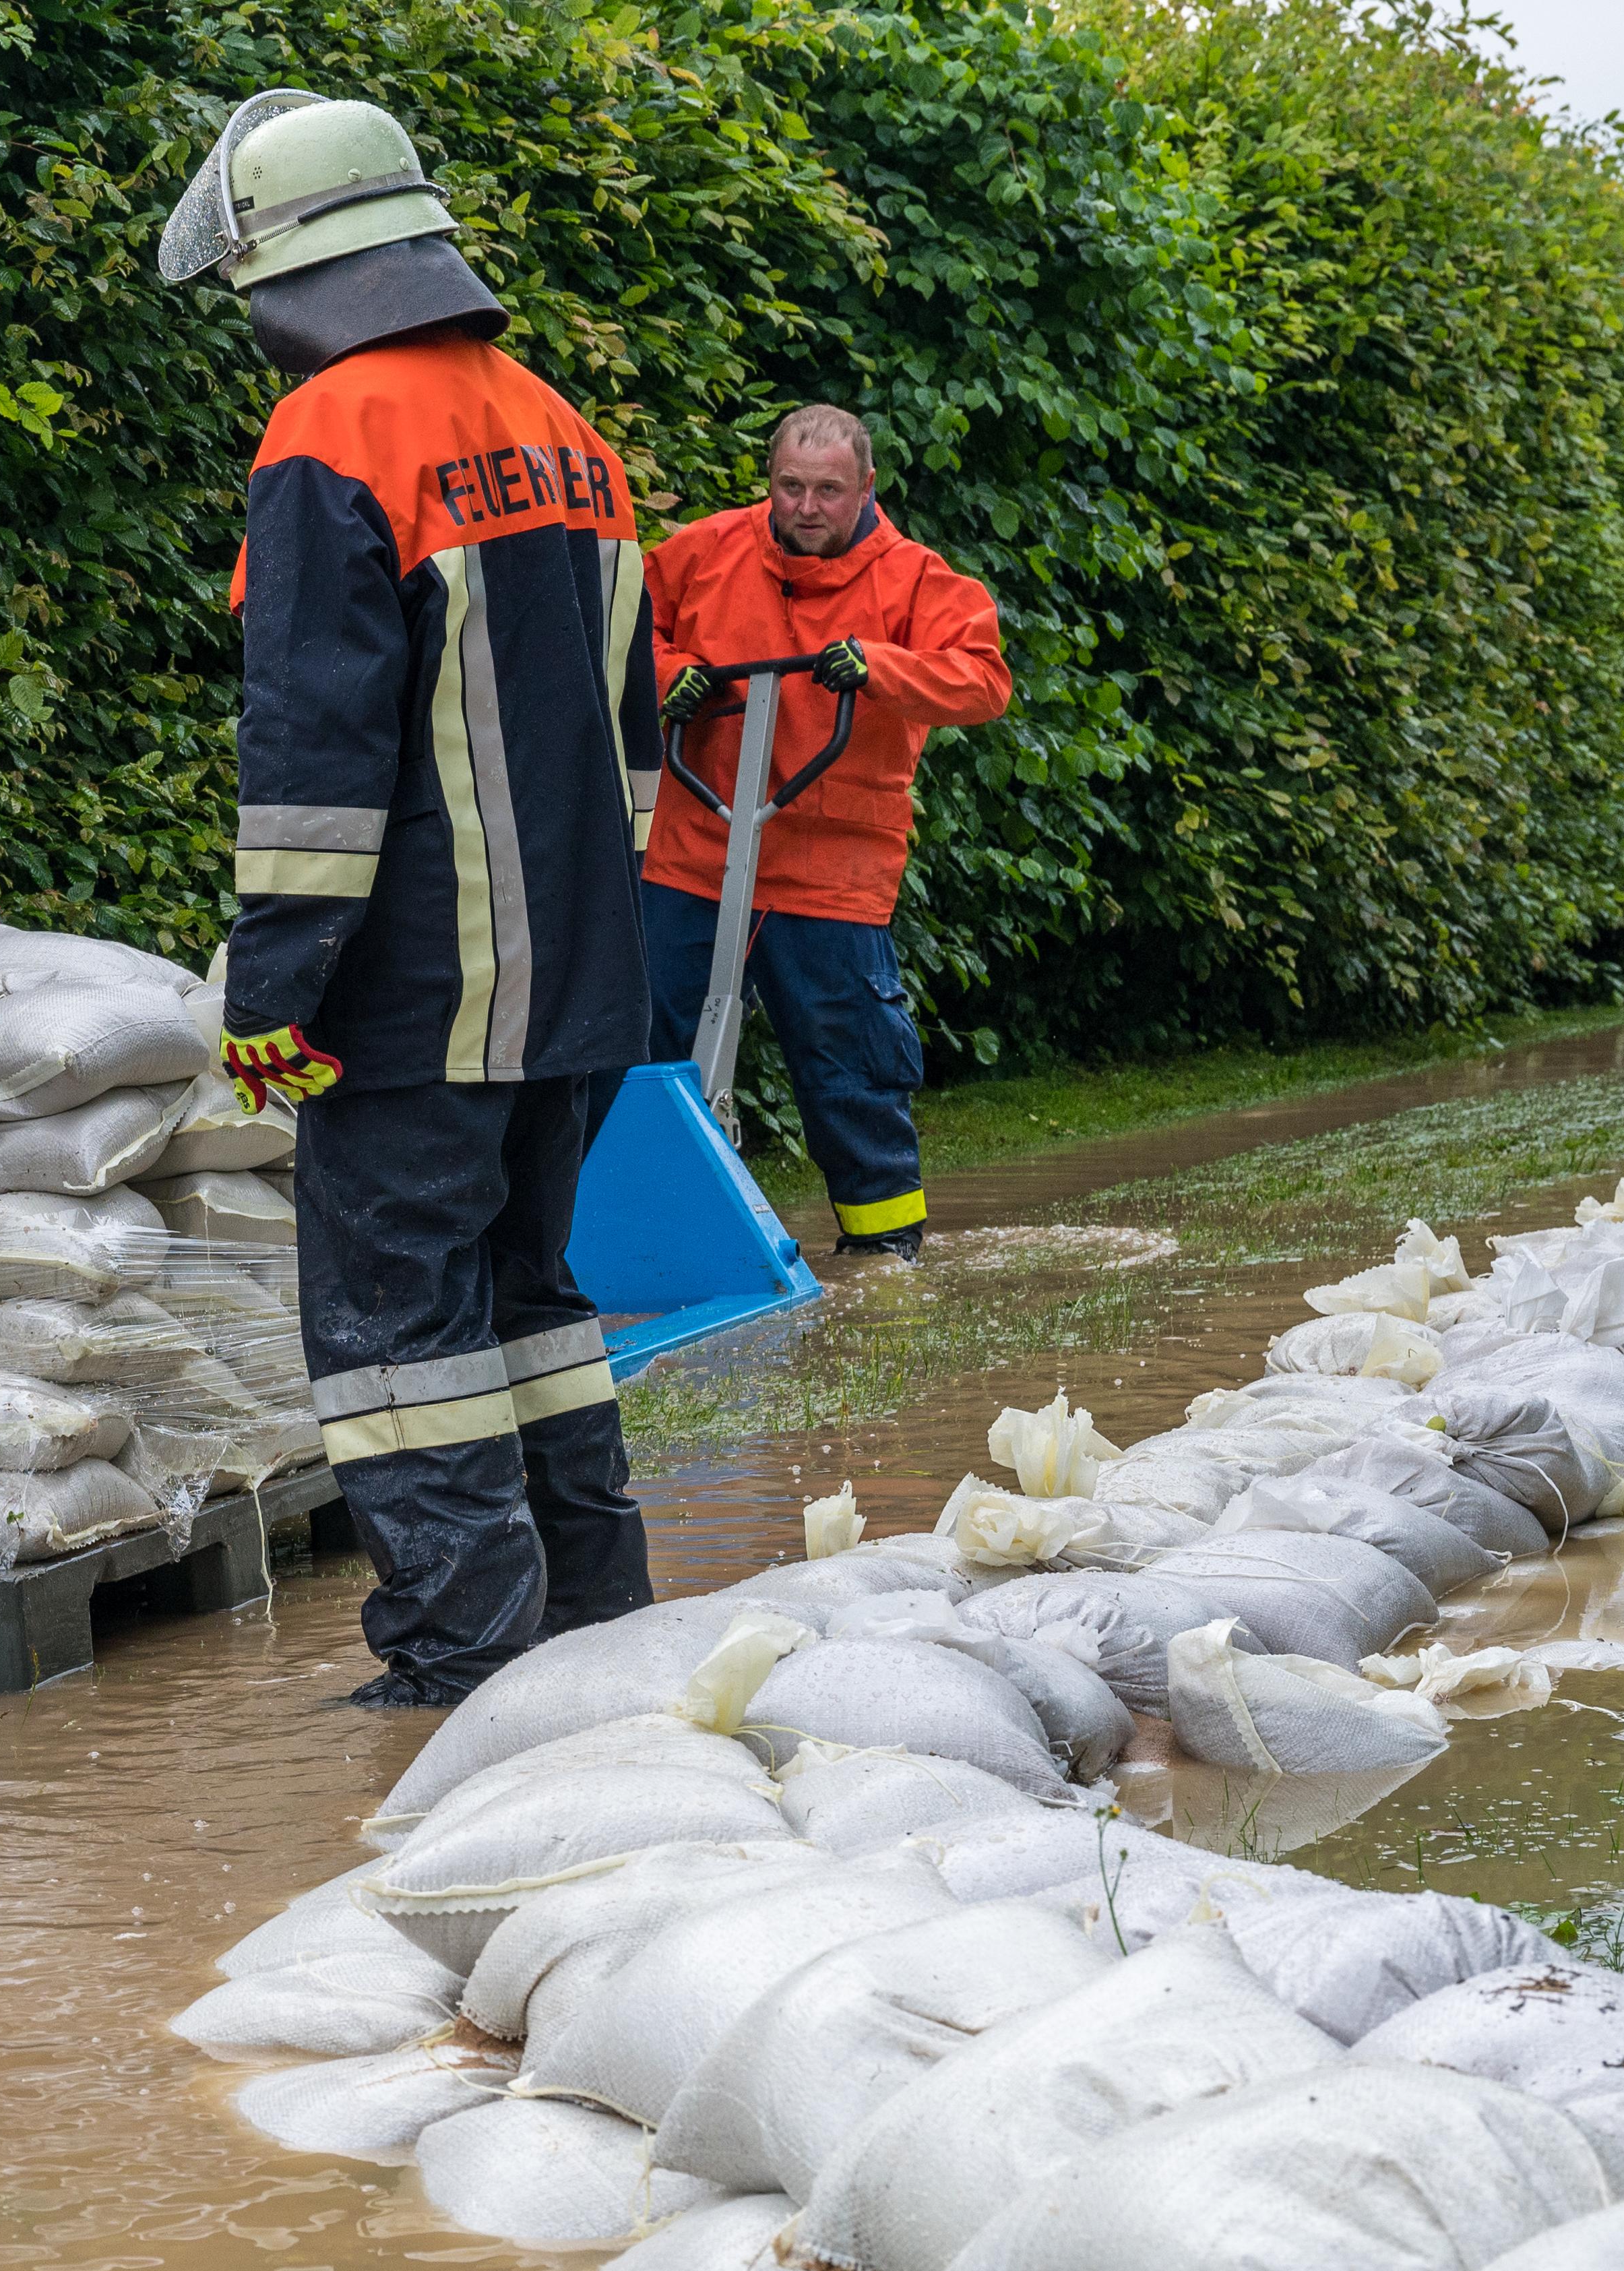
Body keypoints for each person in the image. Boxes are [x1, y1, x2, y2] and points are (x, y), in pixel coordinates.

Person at [161, 90, 663, 1709]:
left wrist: (268, 993)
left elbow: (311, 752)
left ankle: (460, 1662)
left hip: (413, 991)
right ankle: (594, 1618)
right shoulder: (563, 430)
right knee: (534, 1308)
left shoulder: (330, 433)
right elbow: (636, 738)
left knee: (397, 1342)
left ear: (291, 269)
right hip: (575, 984)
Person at [639, 404, 1011, 1259]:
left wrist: (881, 665)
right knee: (647, 1053)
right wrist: (668, 675)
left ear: (866, 487)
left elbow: (982, 681)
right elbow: (627, 627)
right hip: (696, 851)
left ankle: (884, 1253)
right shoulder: (703, 551)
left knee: (849, 1067)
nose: (806, 507)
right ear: (769, 480)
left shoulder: (914, 579)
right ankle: (664, 1240)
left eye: (828, 491)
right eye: (791, 487)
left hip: (831, 868)